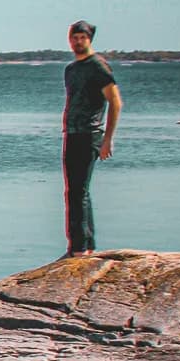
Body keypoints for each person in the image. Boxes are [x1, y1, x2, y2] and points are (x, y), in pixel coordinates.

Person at [61, 19, 120, 257]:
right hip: (71, 133)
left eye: (82, 37)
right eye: (74, 37)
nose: (77, 41)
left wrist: (107, 139)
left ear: (89, 39)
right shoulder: (71, 70)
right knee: (74, 190)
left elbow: (115, 102)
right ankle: (85, 244)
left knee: (78, 190)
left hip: (90, 134)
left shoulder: (98, 66)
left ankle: (79, 248)